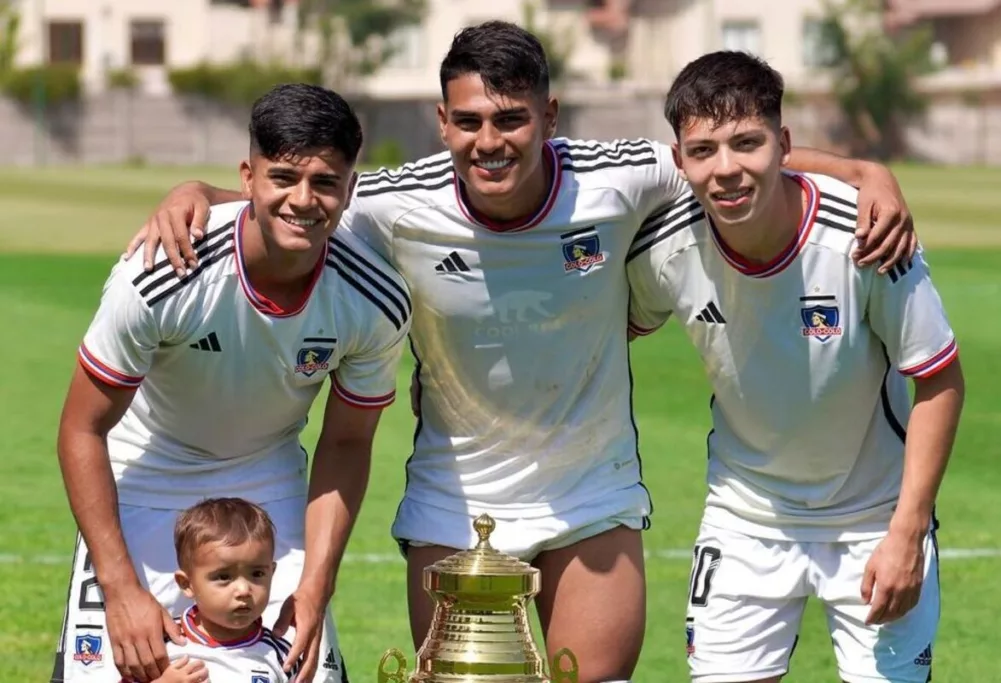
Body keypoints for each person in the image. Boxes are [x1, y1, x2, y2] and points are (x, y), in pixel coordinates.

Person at [122, 23, 919, 683]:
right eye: (469, 122)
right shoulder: (398, 202)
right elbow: (298, 196)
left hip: (590, 494)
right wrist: (194, 193)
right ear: (442, 123)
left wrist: (862, 170)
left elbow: (727, 162)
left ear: (550, 114)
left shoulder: (620, 178)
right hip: (453, 497)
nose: (489, 141)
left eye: (511, 120)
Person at [626, 51, 965, 683]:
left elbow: (939, 378)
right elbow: (604, 330)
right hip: (745, 519)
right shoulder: (666, 245)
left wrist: (908, 532)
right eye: (703, 151)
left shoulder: (867, 237)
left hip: (873, 521)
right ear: (680, 162)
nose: (726, 169)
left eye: (747, 143)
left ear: (784, 143)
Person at [54, 84, 410, 683]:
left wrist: (316, 581)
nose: (304, 200)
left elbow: (347, 443)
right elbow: (81, 429)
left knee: (302, 669)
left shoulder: (374, 300)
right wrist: (119, 585)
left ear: (350, 188)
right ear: (249, 176)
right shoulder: (162, 272)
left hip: (267, 480)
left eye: (325, 183)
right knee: (127, 666)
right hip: (146, 474)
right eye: (284, 177)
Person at [141, 498, 308, 683]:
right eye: (224, 577)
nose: (244, 590)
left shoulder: (281, 655)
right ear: (187, 584)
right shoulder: (163, 645)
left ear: (272, 573)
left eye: (257, 573)